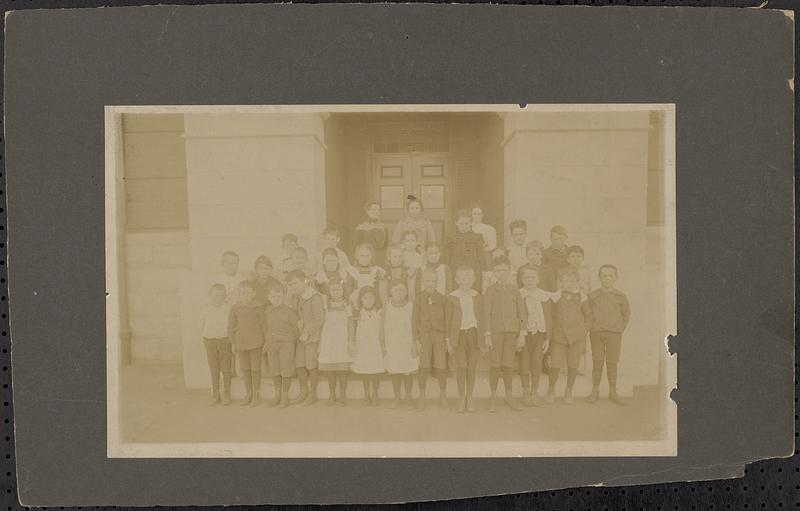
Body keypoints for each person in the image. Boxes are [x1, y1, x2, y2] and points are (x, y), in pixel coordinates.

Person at [483, 256, 527, 412]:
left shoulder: (515, 290)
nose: (500, 273)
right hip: (495, 332)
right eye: (497, 271)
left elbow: (522, 313)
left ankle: (509, 396)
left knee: (508, 365)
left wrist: (522, 334)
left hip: (512, 332)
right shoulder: (490, 290)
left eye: (503, 270)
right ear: (493, 273)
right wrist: (487, 334)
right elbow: (486, 313)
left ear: (509, 271)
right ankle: (493, 397)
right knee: (495, 365)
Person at [546, 269, 593, 405]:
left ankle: (568, 390)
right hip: (559, 336)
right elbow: (550, 315)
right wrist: (553, 331)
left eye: (572, 280)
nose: (569, 283)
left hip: (576, 337)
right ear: (561, 283)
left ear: (577, 282)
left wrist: (584, 330)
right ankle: (551, 389)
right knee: (555, 363)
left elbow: (588, 316)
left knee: (573, 364)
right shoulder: (556, 297)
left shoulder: (582, 297)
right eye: (566, 280)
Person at [588, 265, 631, 406]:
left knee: (612, 362)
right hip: (596, 334)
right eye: (604, 275)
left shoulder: (621, 296)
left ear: (615, 278)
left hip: (614, 334)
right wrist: (592, 327)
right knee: (597, 361)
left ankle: (613, 392)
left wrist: (619, 328)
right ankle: (595, 391)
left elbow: (626, 314)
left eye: (610, 275)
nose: (607, 278)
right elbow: (588, 314)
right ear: (599, 278)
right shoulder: (593, 296)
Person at [447, 266, 485, 413]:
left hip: (474, 334)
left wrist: (482, 339)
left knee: (472, 367)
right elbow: (448, 320)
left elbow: (481, 318)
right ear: (457, 280)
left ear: (474, 280)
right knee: (461, 366)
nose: (466, 281)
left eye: (469, 278)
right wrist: (448, 340)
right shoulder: (452, 297)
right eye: (463, 278)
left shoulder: (477, 296)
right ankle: (461, 397)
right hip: (459, 335)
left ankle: (470, 397)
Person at [412, 268, 450, 409]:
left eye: (433, 281)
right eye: (427, 280)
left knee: (441, 365)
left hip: (439, 335)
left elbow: (447, 319)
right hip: (424, 335)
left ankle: (443, 395)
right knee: (424, 365)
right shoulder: (419, 299)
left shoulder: (442, 298)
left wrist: (447, 338)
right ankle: (422, 396)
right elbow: (414, 320)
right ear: (423, 282)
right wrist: (416, 339)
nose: (430, 283)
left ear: (437, 282)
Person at [286, 270, 325, 405]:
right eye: (290, 285)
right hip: (300, 337)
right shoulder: (295, 297)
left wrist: (307, 332)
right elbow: (295, 314)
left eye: (295, 283)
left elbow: (319, 319)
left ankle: (313, 394)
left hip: (312, 337)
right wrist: (298, 322)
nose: (293, 287)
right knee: (299, 365)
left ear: (304, 281)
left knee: (311, 365)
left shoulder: (314, 296)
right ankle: (303, 392)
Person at [227, 280, 268, 406]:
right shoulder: (235, 308)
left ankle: (256, 393)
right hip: (240, 343)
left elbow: (264, 325)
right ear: (239, 294)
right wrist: (233, 343)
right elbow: (231, 327)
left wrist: (266, 341)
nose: (245, 295)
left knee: (256, 369)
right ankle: (248, 392)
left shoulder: (259, 307)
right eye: (242, 293)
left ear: (254, 293)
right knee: (245, 369)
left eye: (248, 292)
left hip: (256, 342)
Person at [518, 266, 553, 407]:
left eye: (533, 277)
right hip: (524, 335)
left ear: (538, 280)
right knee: (524, 363)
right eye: (527, 277)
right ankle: (525, 391)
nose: (530, 280)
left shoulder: (544, 296)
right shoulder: (518, 294)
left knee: (537, 363)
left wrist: (548, 338)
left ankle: (535, 391)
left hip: (540, 334)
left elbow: (549, 317)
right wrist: (518, 336)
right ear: (522, 280)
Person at [380, 279, 418, 409]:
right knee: (395, 370)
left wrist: (415, 343)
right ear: (390, 291)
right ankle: (396, 397)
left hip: (407, 343)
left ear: (407, 292)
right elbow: (382, 325)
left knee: (408, 371)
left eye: (402, 289)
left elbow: (414, 326)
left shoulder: (410, 306)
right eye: (396, 290)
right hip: (392, 343)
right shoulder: (387, 305)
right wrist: (383, 344)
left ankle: (408, 397)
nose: (399, 292)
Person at [317, 280, 354, 406]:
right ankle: (332, 394)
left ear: (343, 290)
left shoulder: (347, 304)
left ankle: (342, 395)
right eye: (333, 290)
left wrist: (351, 340)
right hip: (328, 340)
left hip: (342, 339)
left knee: (342, 369)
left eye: (339, 289)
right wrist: (320, 342)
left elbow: (350, 324)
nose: (336, 292)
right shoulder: (325, 305)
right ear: (329, 291)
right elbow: (322, 324)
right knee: (330, 369)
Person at [263, 283, 299, 408]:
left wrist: (285, 339)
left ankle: (285, 396)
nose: (276, 299)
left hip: (286, 345)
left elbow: (296, 331)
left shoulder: (289, 312)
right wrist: (268, 342)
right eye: (273, 296)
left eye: (278, 296)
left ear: (284, 297)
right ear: (269, 297)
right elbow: (268, 328)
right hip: (272, 345)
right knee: (275, 369)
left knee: (285, 370)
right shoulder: (268, 311)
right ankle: (277, 395)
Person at [350, 286, 385, 406]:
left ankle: (375, 393)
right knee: (365, 371)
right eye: (365, 298)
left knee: (375, 371)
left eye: (371, 298)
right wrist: (353, 343)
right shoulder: (357, 313)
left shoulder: (380, 312)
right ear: (361, 299)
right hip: (362, 346)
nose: (368, 300)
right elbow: (353, 329)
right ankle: (366, 394)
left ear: (375, 299)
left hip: (376, 346)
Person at [200, 283, 233, 406]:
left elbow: (231, 326)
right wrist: (205, 340)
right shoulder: (205, 310)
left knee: (226, 370)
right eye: (215, 295)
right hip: (210, 342)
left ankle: (227, 394)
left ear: (225, 297)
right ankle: (215, 394)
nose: (218, 298)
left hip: (224, 342)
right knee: (214, 370)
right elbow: (202, 326)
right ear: (209, 295)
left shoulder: (228, 309)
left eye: (221, 296)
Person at [443, 209, 488, 292]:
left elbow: (481, 257)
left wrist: (483, 272)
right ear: (456, 223)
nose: (464, 226)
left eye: (466, 223)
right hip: (456, 270)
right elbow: (447, 258)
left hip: (473, 270)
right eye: (461, 223)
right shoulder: (450, 238)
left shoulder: (477, 237)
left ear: (470, 223)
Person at [346, 243, 384, 308]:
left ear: (371, 256)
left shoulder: (376, 271)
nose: (364, 259)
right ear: (356, 256)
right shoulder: (351, 271)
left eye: (367, 256)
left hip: (372, 302)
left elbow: (379, 291)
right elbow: (348, 291)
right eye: (361, 256)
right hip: (355, 302)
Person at [353, 201, 389, 266]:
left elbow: (386, 245)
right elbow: (356, 247)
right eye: (374, 209)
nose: (376, 212)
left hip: (380, 257)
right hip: (365, 258)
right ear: (367, 211)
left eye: (378, 210)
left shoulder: (383, 227)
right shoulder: (361, 227)